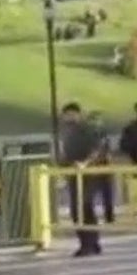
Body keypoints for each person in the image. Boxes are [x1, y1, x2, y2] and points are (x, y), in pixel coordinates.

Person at [59, 103, 101, 257]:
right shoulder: (67, 132)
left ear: (77, 114)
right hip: (74, 174)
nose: (67, 118)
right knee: (79, 210)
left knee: (84, 208)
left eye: (70, 114)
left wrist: (85, 163)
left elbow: (96, 148)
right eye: (66, 115)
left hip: (88, 174)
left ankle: (89, 243)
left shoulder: (87, 129)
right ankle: (90, 243)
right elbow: (66, 153)